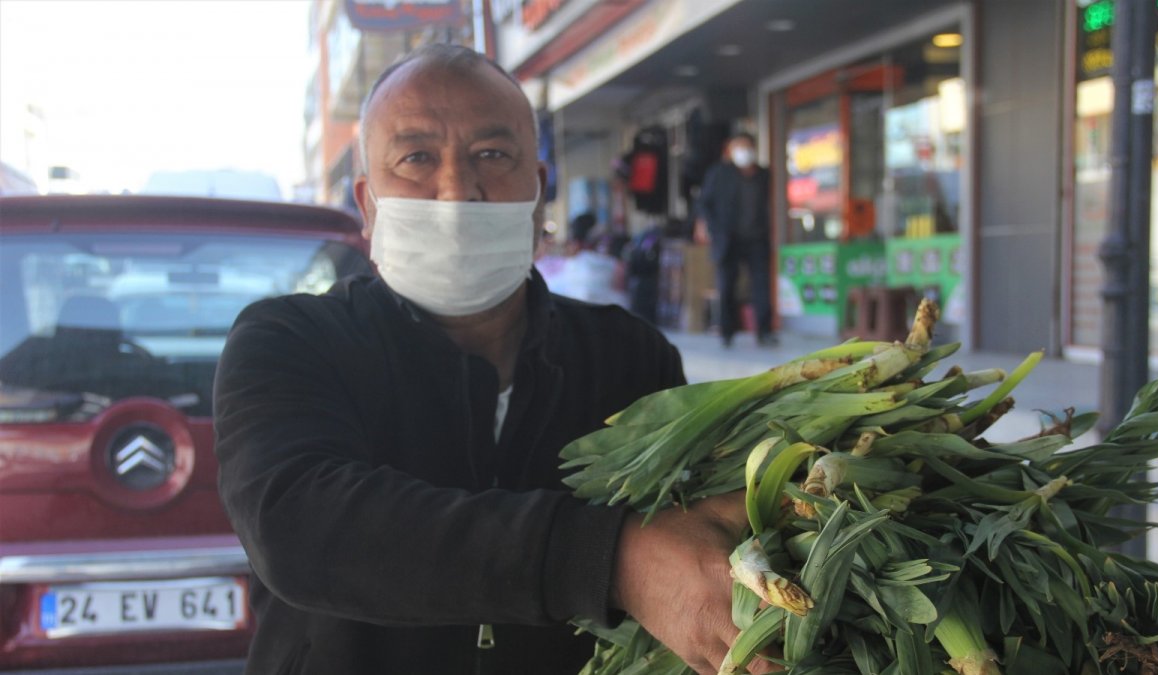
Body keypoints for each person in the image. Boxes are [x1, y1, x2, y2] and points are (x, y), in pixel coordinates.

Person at [214, 44, 761, 675]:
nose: (457, 191)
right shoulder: (289, 341)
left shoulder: (628, 356)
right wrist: (610, 560)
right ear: (368, 204)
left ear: (539, 190)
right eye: (417, 157)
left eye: (492, 156)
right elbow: (301, 528)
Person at [696, 132, 778, 348]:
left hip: (757, 238)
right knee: (727, 286)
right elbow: (704, 203)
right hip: (727, 239)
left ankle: (764, 331)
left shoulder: (762, 174)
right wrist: (711, 228)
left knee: (761, 285)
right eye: (738, 147)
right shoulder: (719, 173)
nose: (743, 152)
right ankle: (727, 330)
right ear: (730, 151)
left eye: (746, 147)